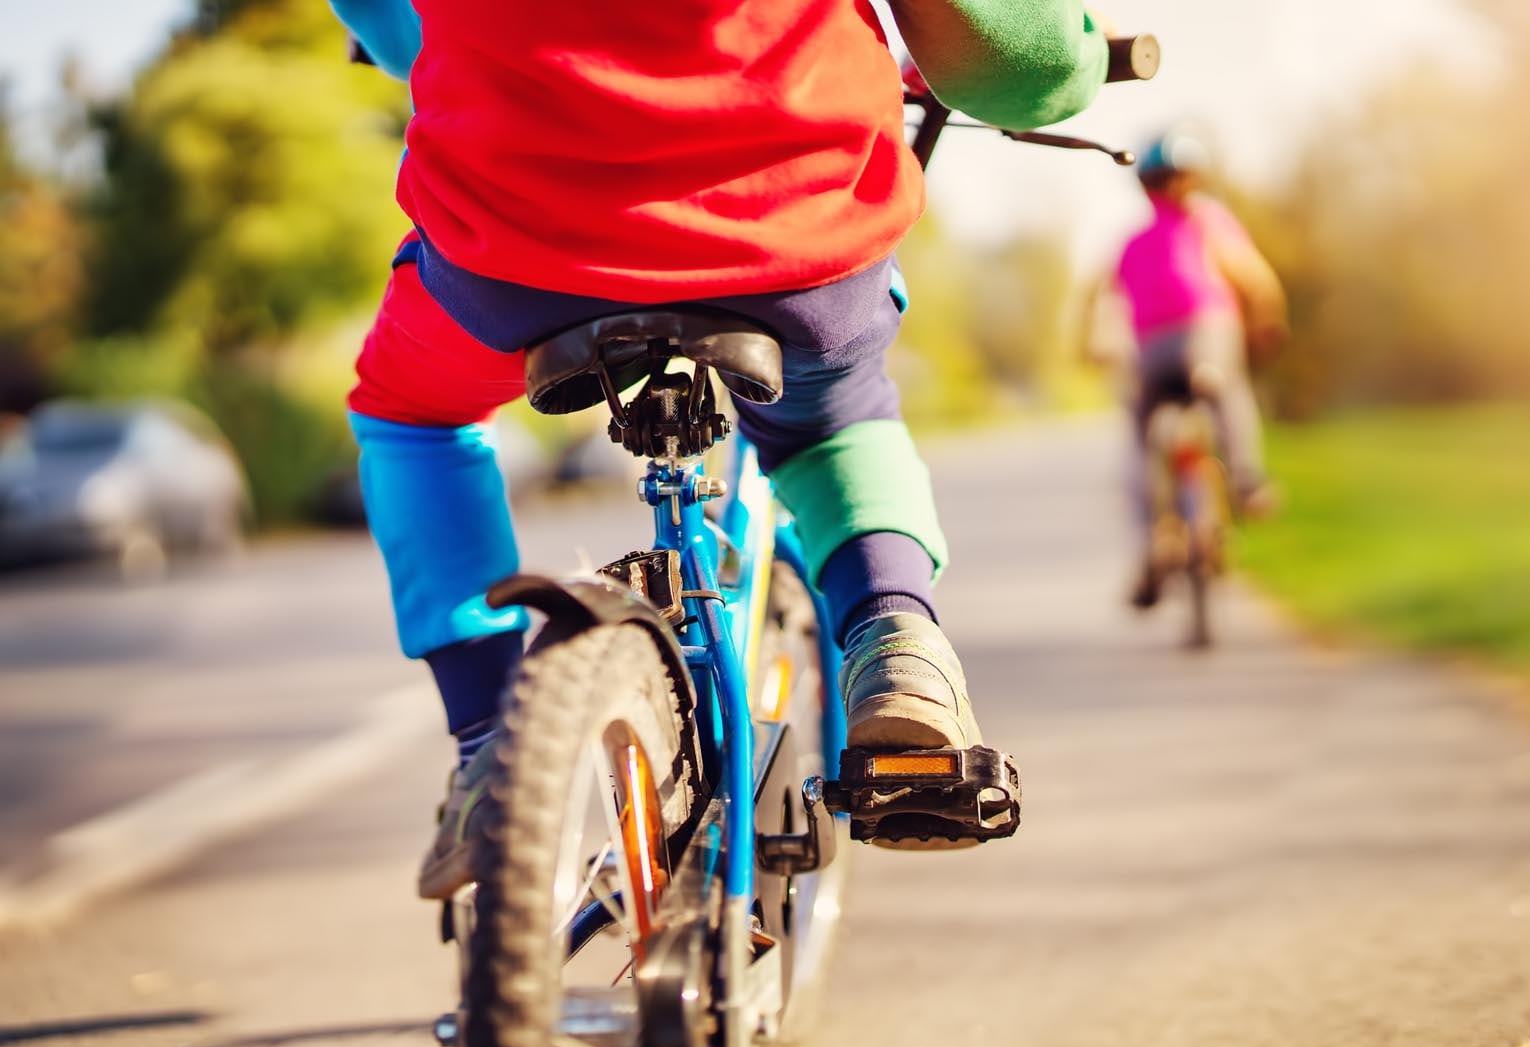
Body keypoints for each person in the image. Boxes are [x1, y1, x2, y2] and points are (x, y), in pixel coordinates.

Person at [327, 0, 1114, 897]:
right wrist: (1077, 58)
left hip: (516, 256)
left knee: (411, 414)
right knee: (834, 421)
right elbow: (1020, 62)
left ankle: (485, 746)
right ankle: (898, 647)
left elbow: (397, 31)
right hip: (795, 242)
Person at [1104, 129, 1287, 609]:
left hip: (1153, 355)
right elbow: (1253, 275)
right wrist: (1270, 316)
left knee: (1141, 434)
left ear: (1145, 187)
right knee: (1228, 392)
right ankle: (1247, 481)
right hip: (1206, 338)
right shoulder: (1210, 222)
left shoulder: (1133, 241)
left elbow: (1107, 303)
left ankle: (1150, 547)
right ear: (1194, 180)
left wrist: (1096, 349)